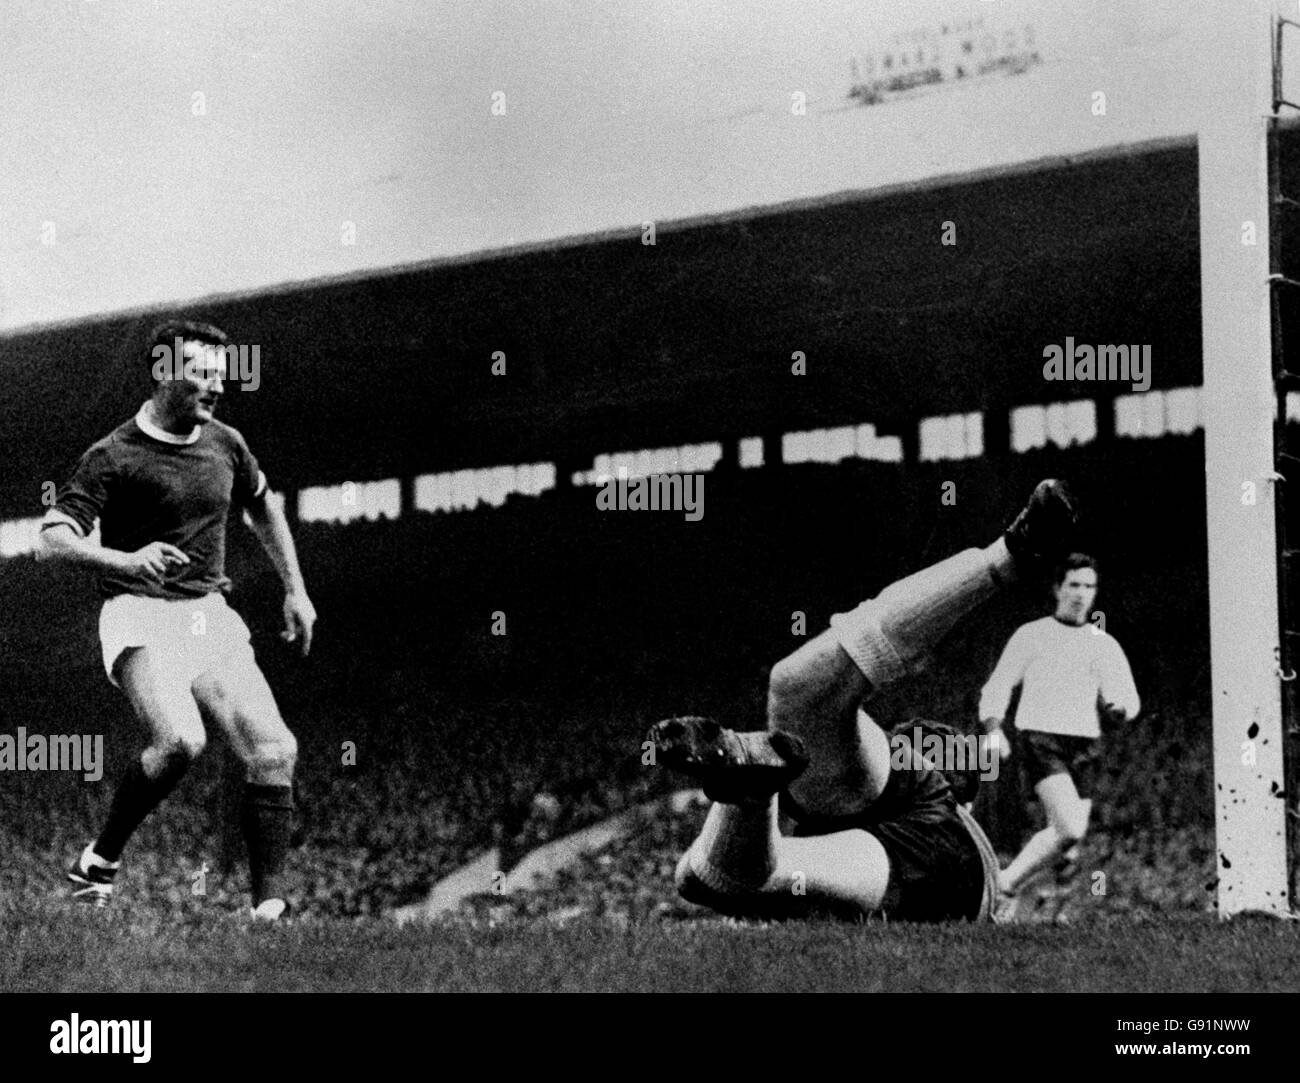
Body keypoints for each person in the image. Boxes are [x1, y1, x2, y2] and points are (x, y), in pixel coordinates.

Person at [650, 479, 1079, 923]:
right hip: (931, 855)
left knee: (710, 875)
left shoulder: (926, 776)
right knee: (717, 873)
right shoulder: (916, 774)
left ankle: (1006, 555)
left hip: (935, 836)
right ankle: (749, 789)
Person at [37, 319, 317, 921]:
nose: (216, 386)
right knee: (181, 742)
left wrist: (295, 589)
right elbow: (51, 540)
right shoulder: (113, 455)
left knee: (273, 751)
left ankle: (269, 909)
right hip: (139, 612)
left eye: (222, 373)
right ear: (164, 372)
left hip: (207, 614)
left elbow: (264, 507)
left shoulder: (226, 443)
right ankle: (100, 860)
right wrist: (124, 559)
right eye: (202, 373)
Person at [980, 552, 1139, 919]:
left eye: (1089, 586)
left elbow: (1127, 698)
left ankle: (1044, 914)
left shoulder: (1103, 644)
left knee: (1068, 844)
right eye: (1074, 585)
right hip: (1040, 740)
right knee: (1069, 827)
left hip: (1084, 745)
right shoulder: (1032, 635)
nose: (1081, 594)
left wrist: (1119, 709)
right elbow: (998, 685)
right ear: (1057, 588)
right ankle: (1003, 886)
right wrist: (993, 728)